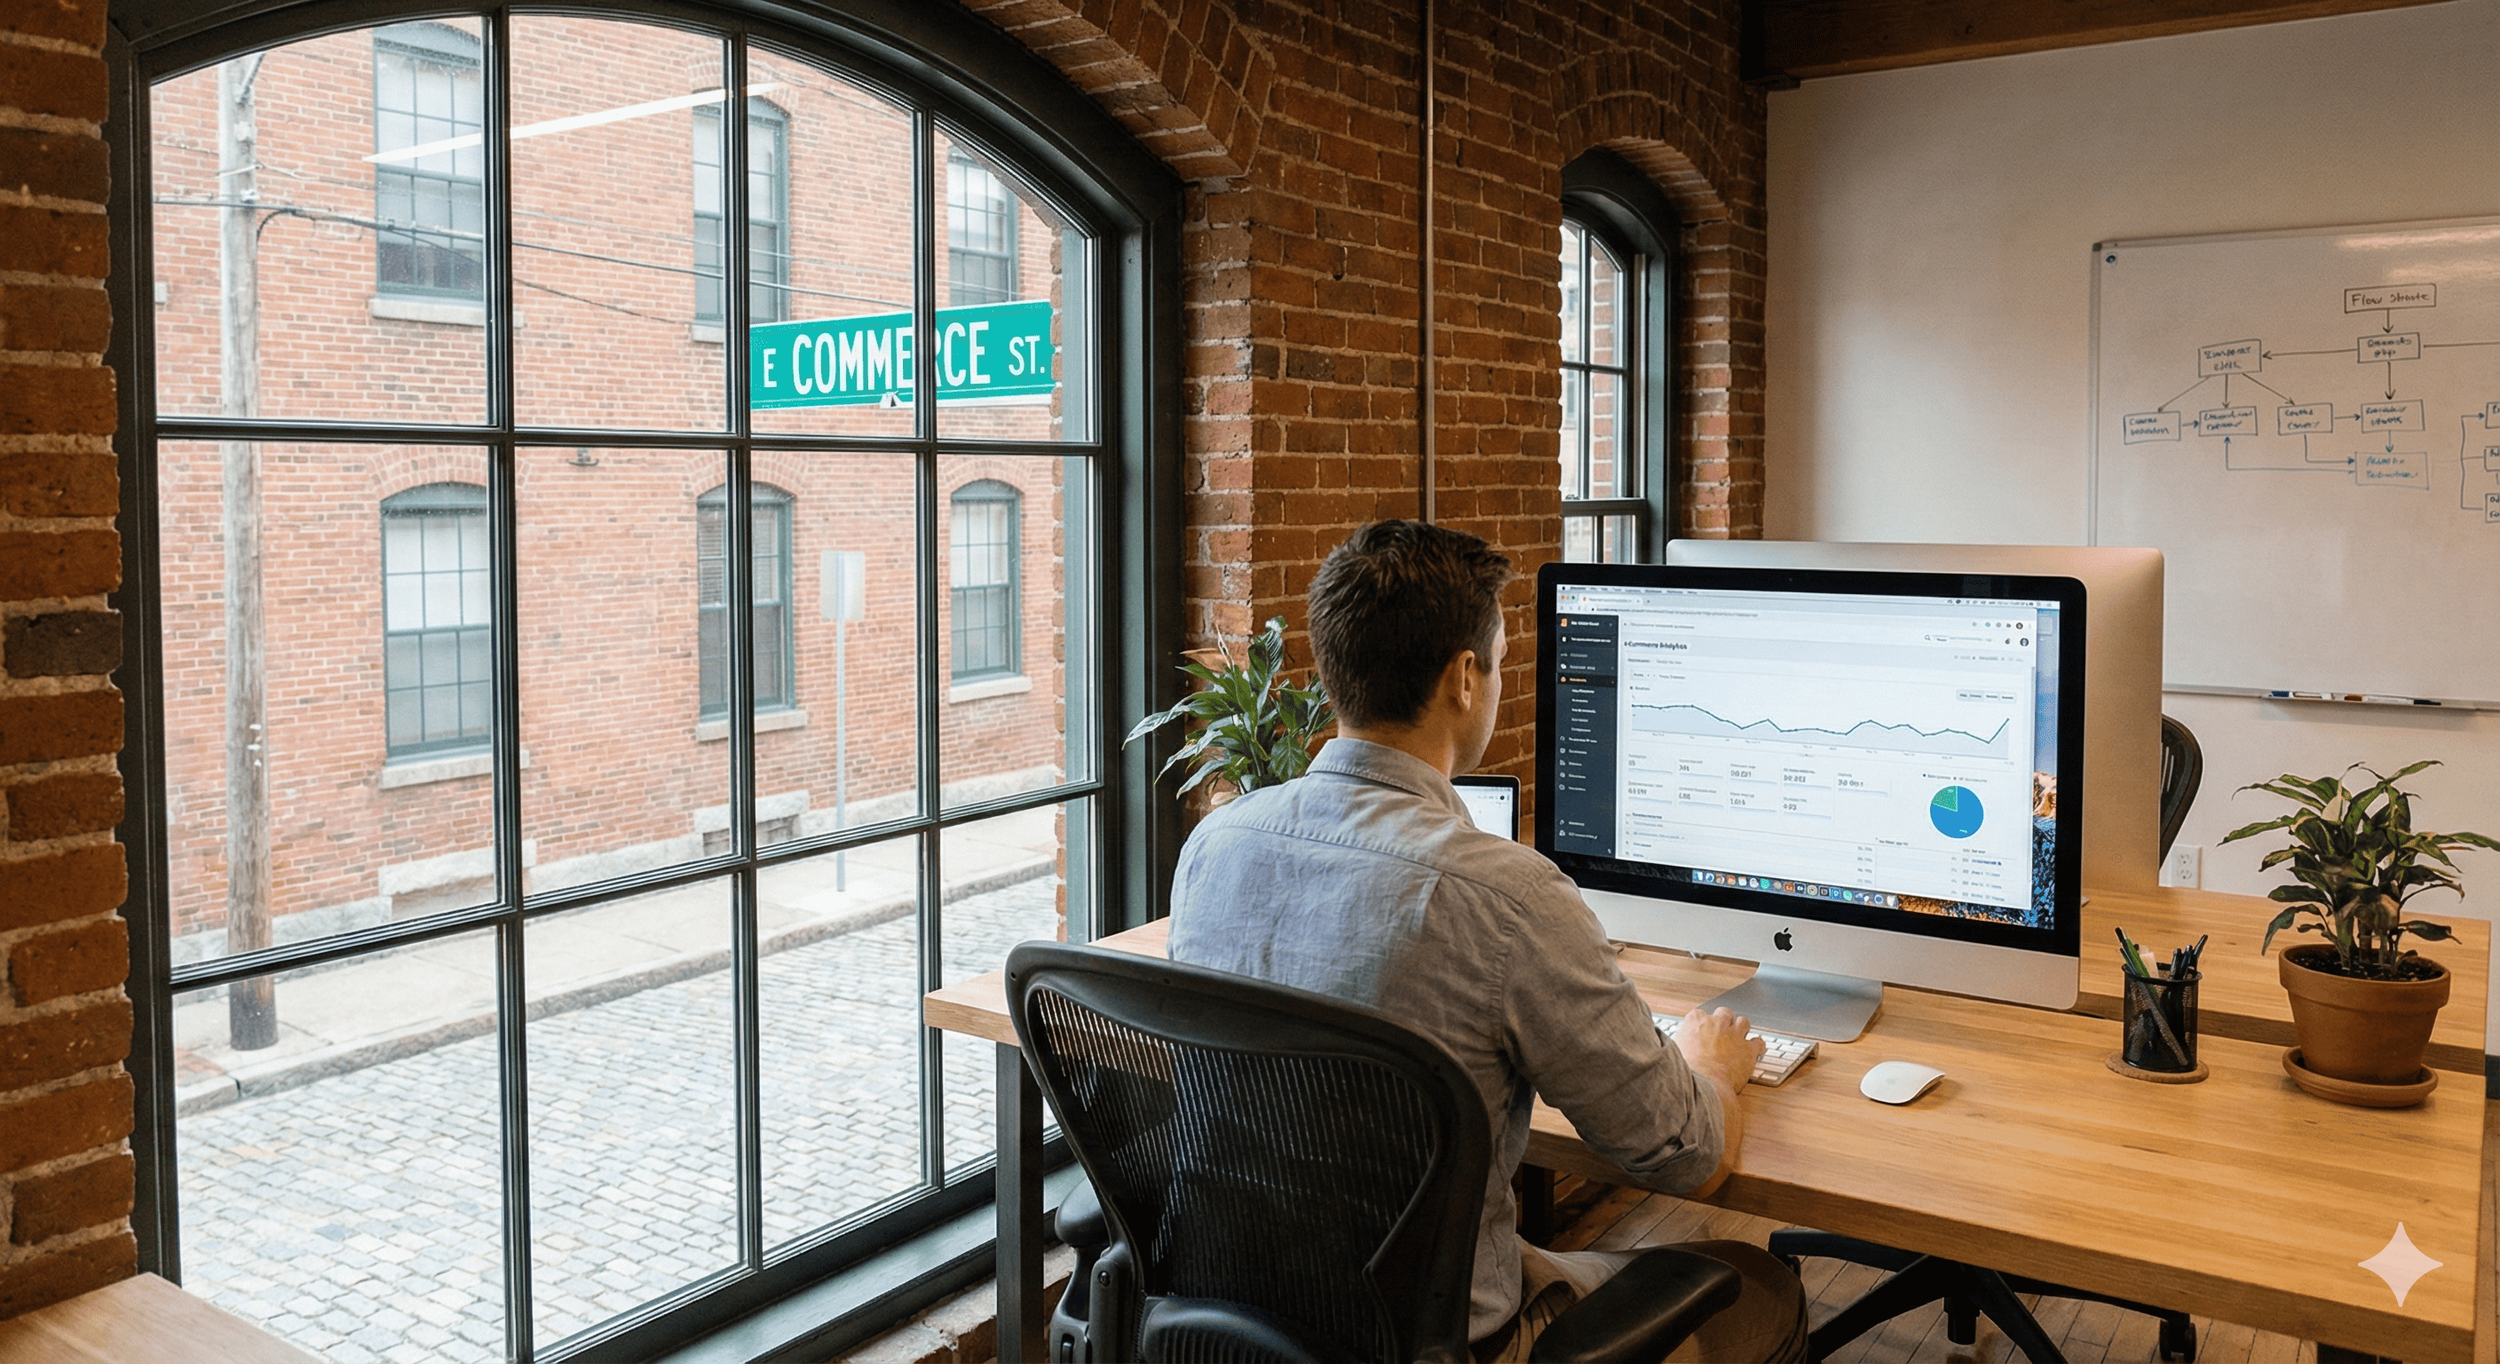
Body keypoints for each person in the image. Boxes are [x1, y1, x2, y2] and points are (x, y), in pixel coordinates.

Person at [1168, 520, 1808, 1363]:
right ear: (1464, 679)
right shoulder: (1511, 897)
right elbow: (1683, 1157)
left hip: (1238, 1320)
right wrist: (1714, 1069)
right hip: (1436, 1343)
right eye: (1503, 661)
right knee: (1761, 1285)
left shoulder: (1214, 843)